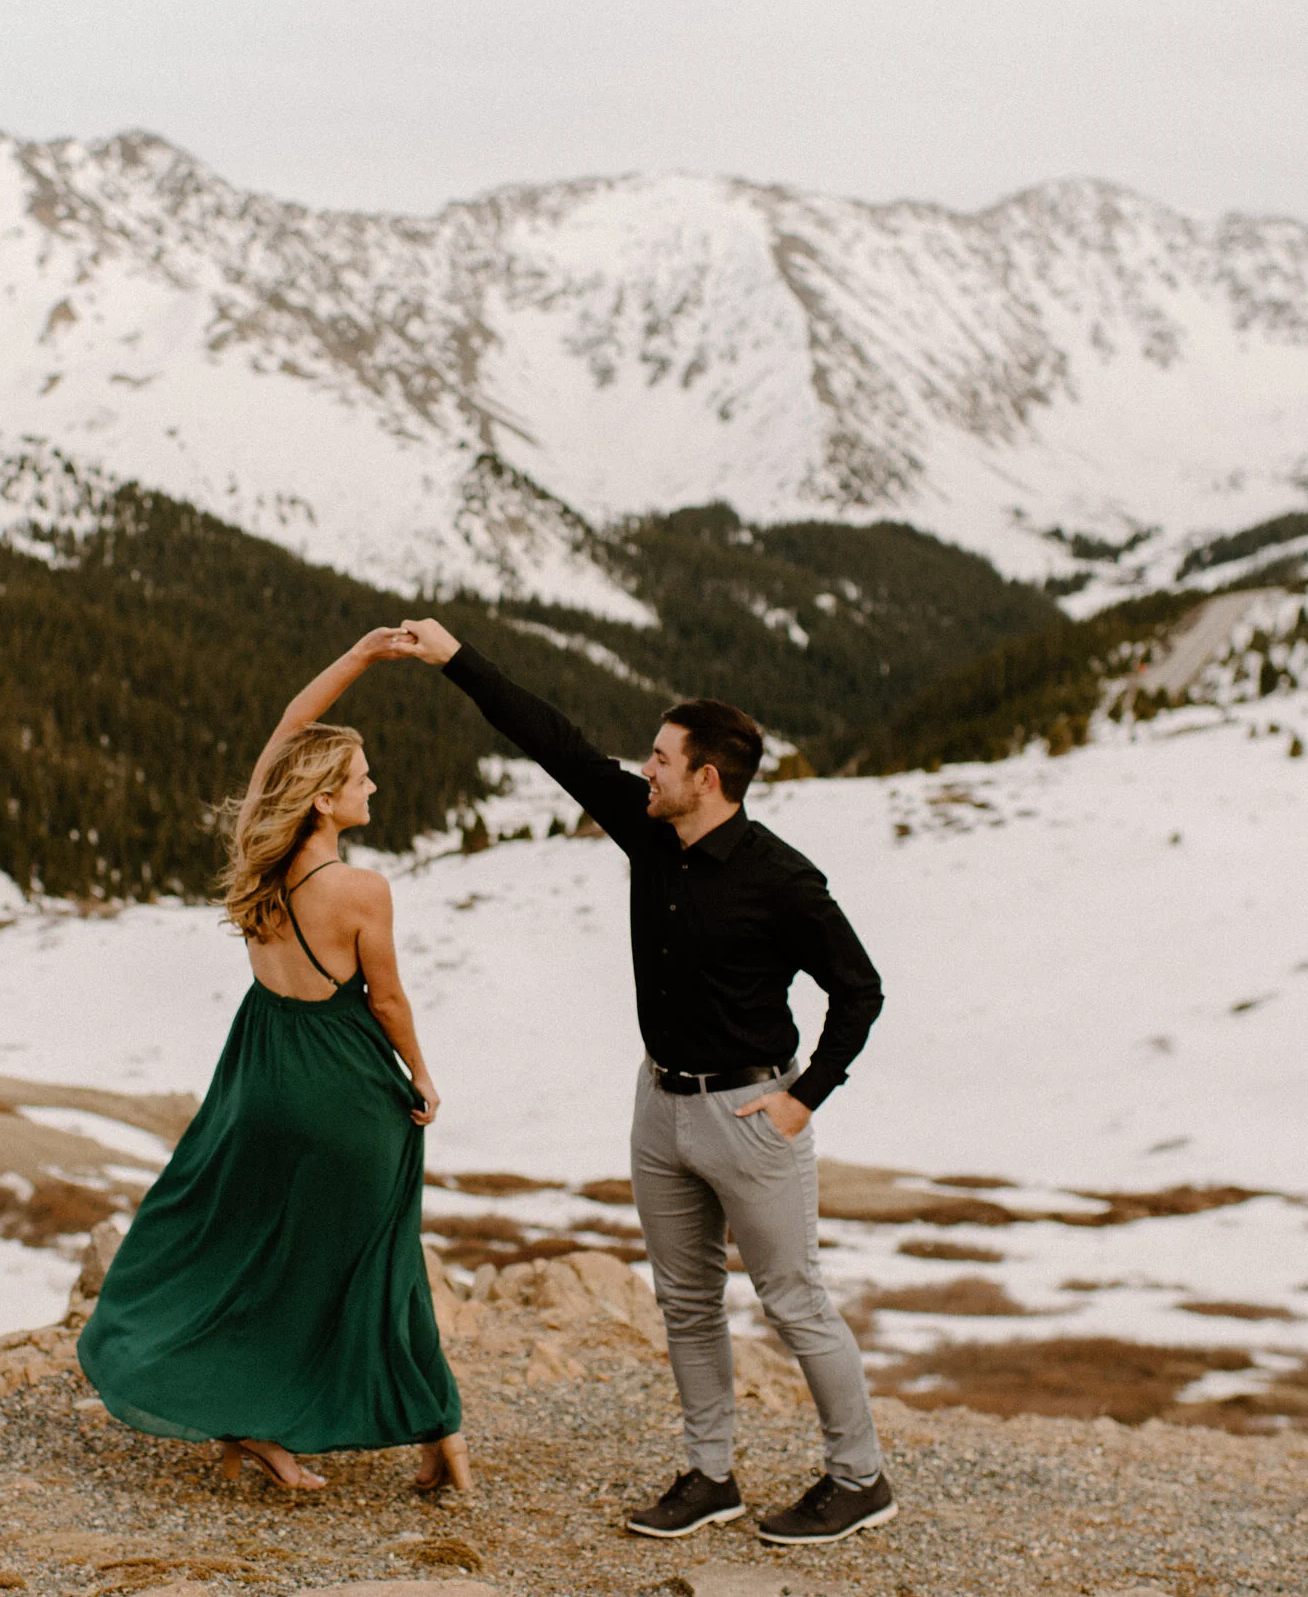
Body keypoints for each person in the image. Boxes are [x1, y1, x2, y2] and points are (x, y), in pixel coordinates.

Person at [397, 617, 890, 1545]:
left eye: (661, 758)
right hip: (659, 1108)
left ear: (708, 778)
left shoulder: (783, 880)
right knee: (687, 1302)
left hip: (750, 1113)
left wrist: (805, 1095)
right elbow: (553, 741)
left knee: (793, 1300)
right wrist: (454, 657)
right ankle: (711, 1475)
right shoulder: (648, 830)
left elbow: (859, 990)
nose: (645, 769)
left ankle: (859, 1475)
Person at [78, 628, 472, 1496]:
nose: (375, 785)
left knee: (249, 1250)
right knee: (373, 1253)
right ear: (327, 801)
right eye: (361, 777)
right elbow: (388, 1002)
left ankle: (252, 1424)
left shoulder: (258, 852)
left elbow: (294, 719)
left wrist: (362, 655)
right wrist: (423, 1077)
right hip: (342, 1084)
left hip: (259, 1076)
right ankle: (434, 1428)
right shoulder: (360, 890)